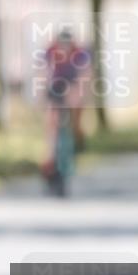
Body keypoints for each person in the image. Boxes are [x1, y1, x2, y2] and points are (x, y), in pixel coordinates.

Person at [41, 27, 90, 173]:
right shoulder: (50, 51)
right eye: (61, 44)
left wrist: (78, 93)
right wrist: (42, 91)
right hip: (56, 86)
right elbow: (44, 72)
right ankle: (50, 157)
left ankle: (78, 138)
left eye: (67, 45)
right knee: (51, 121)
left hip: (73, 85)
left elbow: (85, 75)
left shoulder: (79, 54)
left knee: (76, 116)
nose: (64, 48)